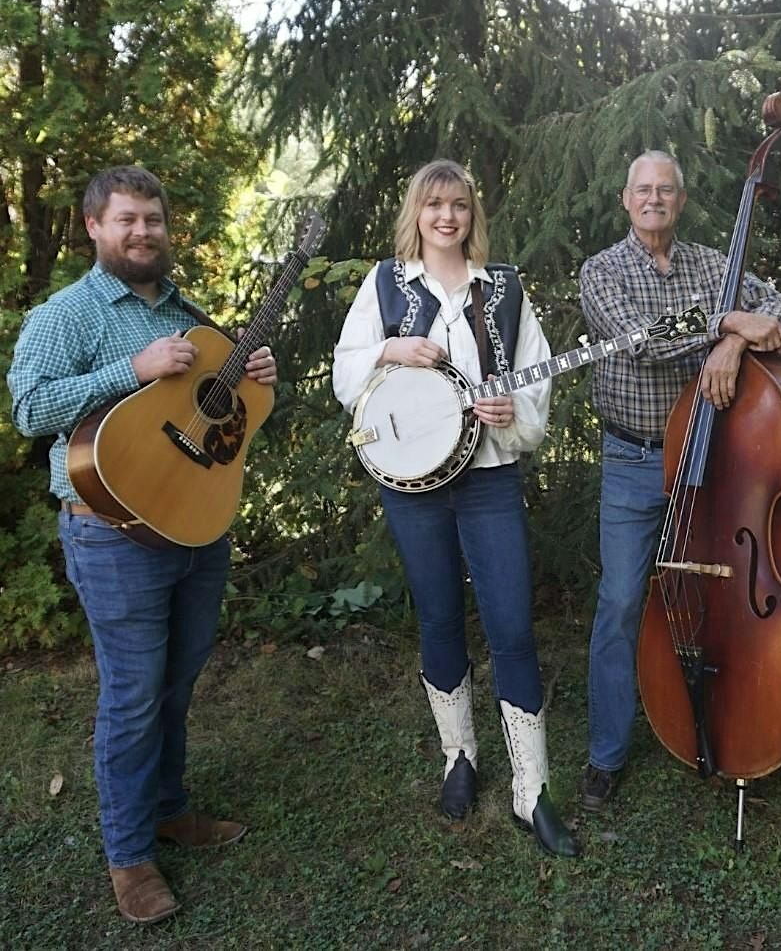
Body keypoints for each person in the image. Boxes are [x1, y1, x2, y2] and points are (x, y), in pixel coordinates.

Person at [8, 165, 278, 924]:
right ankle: (129, 859)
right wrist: (133, 366)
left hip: (197, 530)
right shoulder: (69, 314)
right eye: (126, 219)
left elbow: (229, 424)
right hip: (114, 538)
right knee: (131, 700)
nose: (143, 232)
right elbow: (30, 409)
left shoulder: (190, 313)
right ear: (94, 227)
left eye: (153, 219)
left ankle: (168, 809)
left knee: (176, 687)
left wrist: (257, 379)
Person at [332, 159, 578, 858]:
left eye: (459, 206)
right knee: (438, 614)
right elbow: (345, 373)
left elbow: (537, 374)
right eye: (434, 204)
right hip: (413, 483)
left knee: (511, 624)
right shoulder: (385, 283)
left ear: (473, 215)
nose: (447, 217)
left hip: (490, 477)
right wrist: (390, 346)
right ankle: (459, 760)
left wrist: (510, 413)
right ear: (416, 211)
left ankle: (533, 792)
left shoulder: (501, 288)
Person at [576, 150, 781, 812]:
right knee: (620, 602)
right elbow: (637, 338)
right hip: (635, 460)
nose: (653, 199)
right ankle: (606, 755)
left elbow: (780, 310)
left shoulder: (712, 265)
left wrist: (732, 346)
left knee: (723, 596)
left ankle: (728, 719)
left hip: (714, 463)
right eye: (642, 190)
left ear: (679, 199)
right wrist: (727, 322)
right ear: (625, 199)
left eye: (665, 190)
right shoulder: (602, 270)